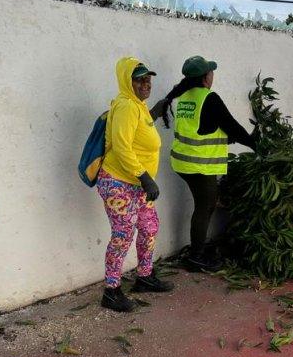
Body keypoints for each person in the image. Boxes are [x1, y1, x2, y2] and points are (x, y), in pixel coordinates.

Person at [159, 55, 256, 272]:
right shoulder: (208, 98)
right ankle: (196, 257)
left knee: (207, 202)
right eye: (211, 72)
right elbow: (232, 126)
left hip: (183, 160)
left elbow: (204, 126)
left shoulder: (184, 96)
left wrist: (226, 135)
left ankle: (198, 250)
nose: (213, 76)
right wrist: (256, 145)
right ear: (205, 77)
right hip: (198, 165)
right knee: (206, 206)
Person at [96, 57, 173, 313]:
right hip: (119, 182)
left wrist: (154, 111)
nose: (145, 84)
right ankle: (111, 290)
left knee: (150, 227)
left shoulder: (137, 106)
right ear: (127, 81)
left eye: (148, 79)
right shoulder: (127, 106)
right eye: (139, 79)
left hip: (137, 185)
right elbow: (121, 146)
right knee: (123, 234)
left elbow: (136, 132)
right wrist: (145, 177)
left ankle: (144, 276)